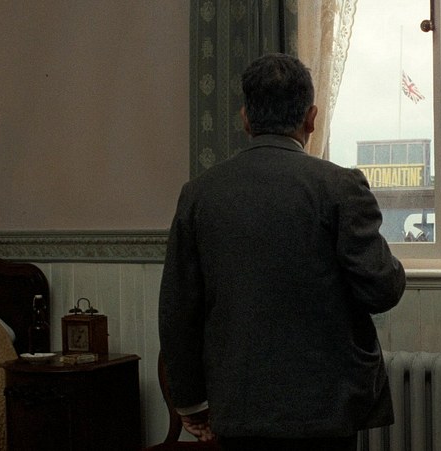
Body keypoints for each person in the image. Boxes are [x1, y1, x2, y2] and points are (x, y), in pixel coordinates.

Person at [158, 53, 406, 451]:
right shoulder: (340, 186)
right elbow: (382, 290)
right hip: (326, 407)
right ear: (311, 118)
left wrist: (189, 400)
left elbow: (178, 309)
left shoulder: (199, 194)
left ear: (245, 118)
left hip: (238, 405)